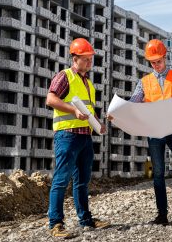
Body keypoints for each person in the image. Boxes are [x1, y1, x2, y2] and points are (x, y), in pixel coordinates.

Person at [108, 39, 172, 226]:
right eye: (152, 62)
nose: (156, 65)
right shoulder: (144, 82)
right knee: (157, 173)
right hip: (155, 132)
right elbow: (132, 105)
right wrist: (117, 114)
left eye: (158, 61)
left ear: (165, 57)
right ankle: (162, 215)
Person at [46, 38, 109, 237]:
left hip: (85, 137)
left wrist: (99, 123)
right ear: (75, 58)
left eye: (91, 59)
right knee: (61, 179)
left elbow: (88, 109)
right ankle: (55, 224)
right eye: (86, 59)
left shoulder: (89, 83)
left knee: (82, 181)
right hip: (67, 135)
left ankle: (86, 220)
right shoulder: (64, 76)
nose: (90, 62)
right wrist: (73, 110)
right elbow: (51, 99)